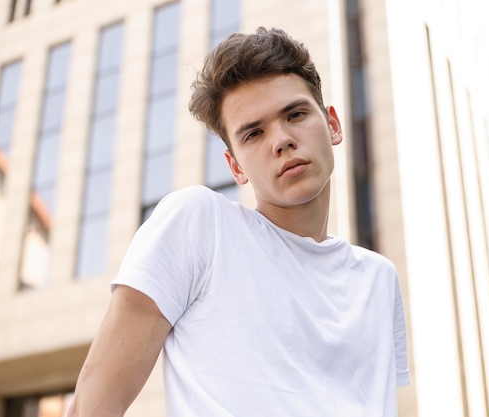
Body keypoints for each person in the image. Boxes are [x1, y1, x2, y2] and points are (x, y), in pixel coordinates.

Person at [67, 26, 409, 417]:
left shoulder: (378, 279)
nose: (281, 140)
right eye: (253, 134)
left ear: (332, 124)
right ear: (235, 167)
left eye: (295, 114)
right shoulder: (199, 224)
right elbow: (93, 405)